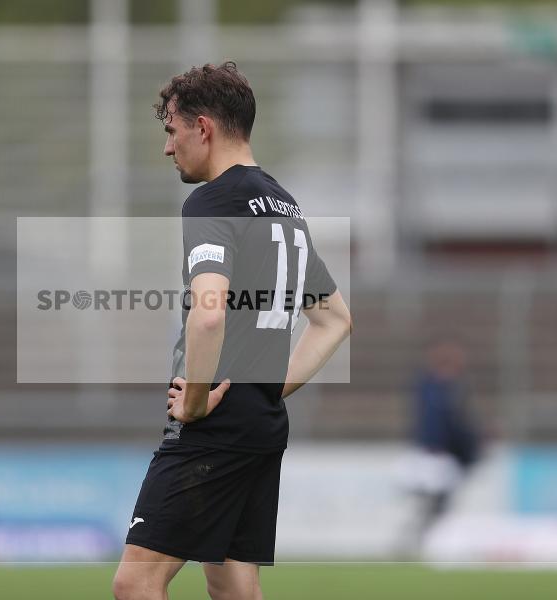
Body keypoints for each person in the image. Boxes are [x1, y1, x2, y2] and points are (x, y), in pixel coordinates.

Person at [112, 62, 352, 600]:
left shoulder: (214, 200)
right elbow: (335, 319)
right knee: (232, 583)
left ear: (204, 128)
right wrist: (268, 387)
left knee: (135, 582)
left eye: (171, 132)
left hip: (215, 423)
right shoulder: (285, 206)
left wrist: (195, 400)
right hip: (260, 421)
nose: (167, 149)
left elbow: (211, 309)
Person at [399, 336, 481, 555]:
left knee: (438, 505)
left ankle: (427, 541)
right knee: (430, 504)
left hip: (443, 458)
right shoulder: (432, 388)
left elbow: (458, 425)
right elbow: (440, 425)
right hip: (431, 457)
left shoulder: (451, 388)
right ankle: (419, 542)